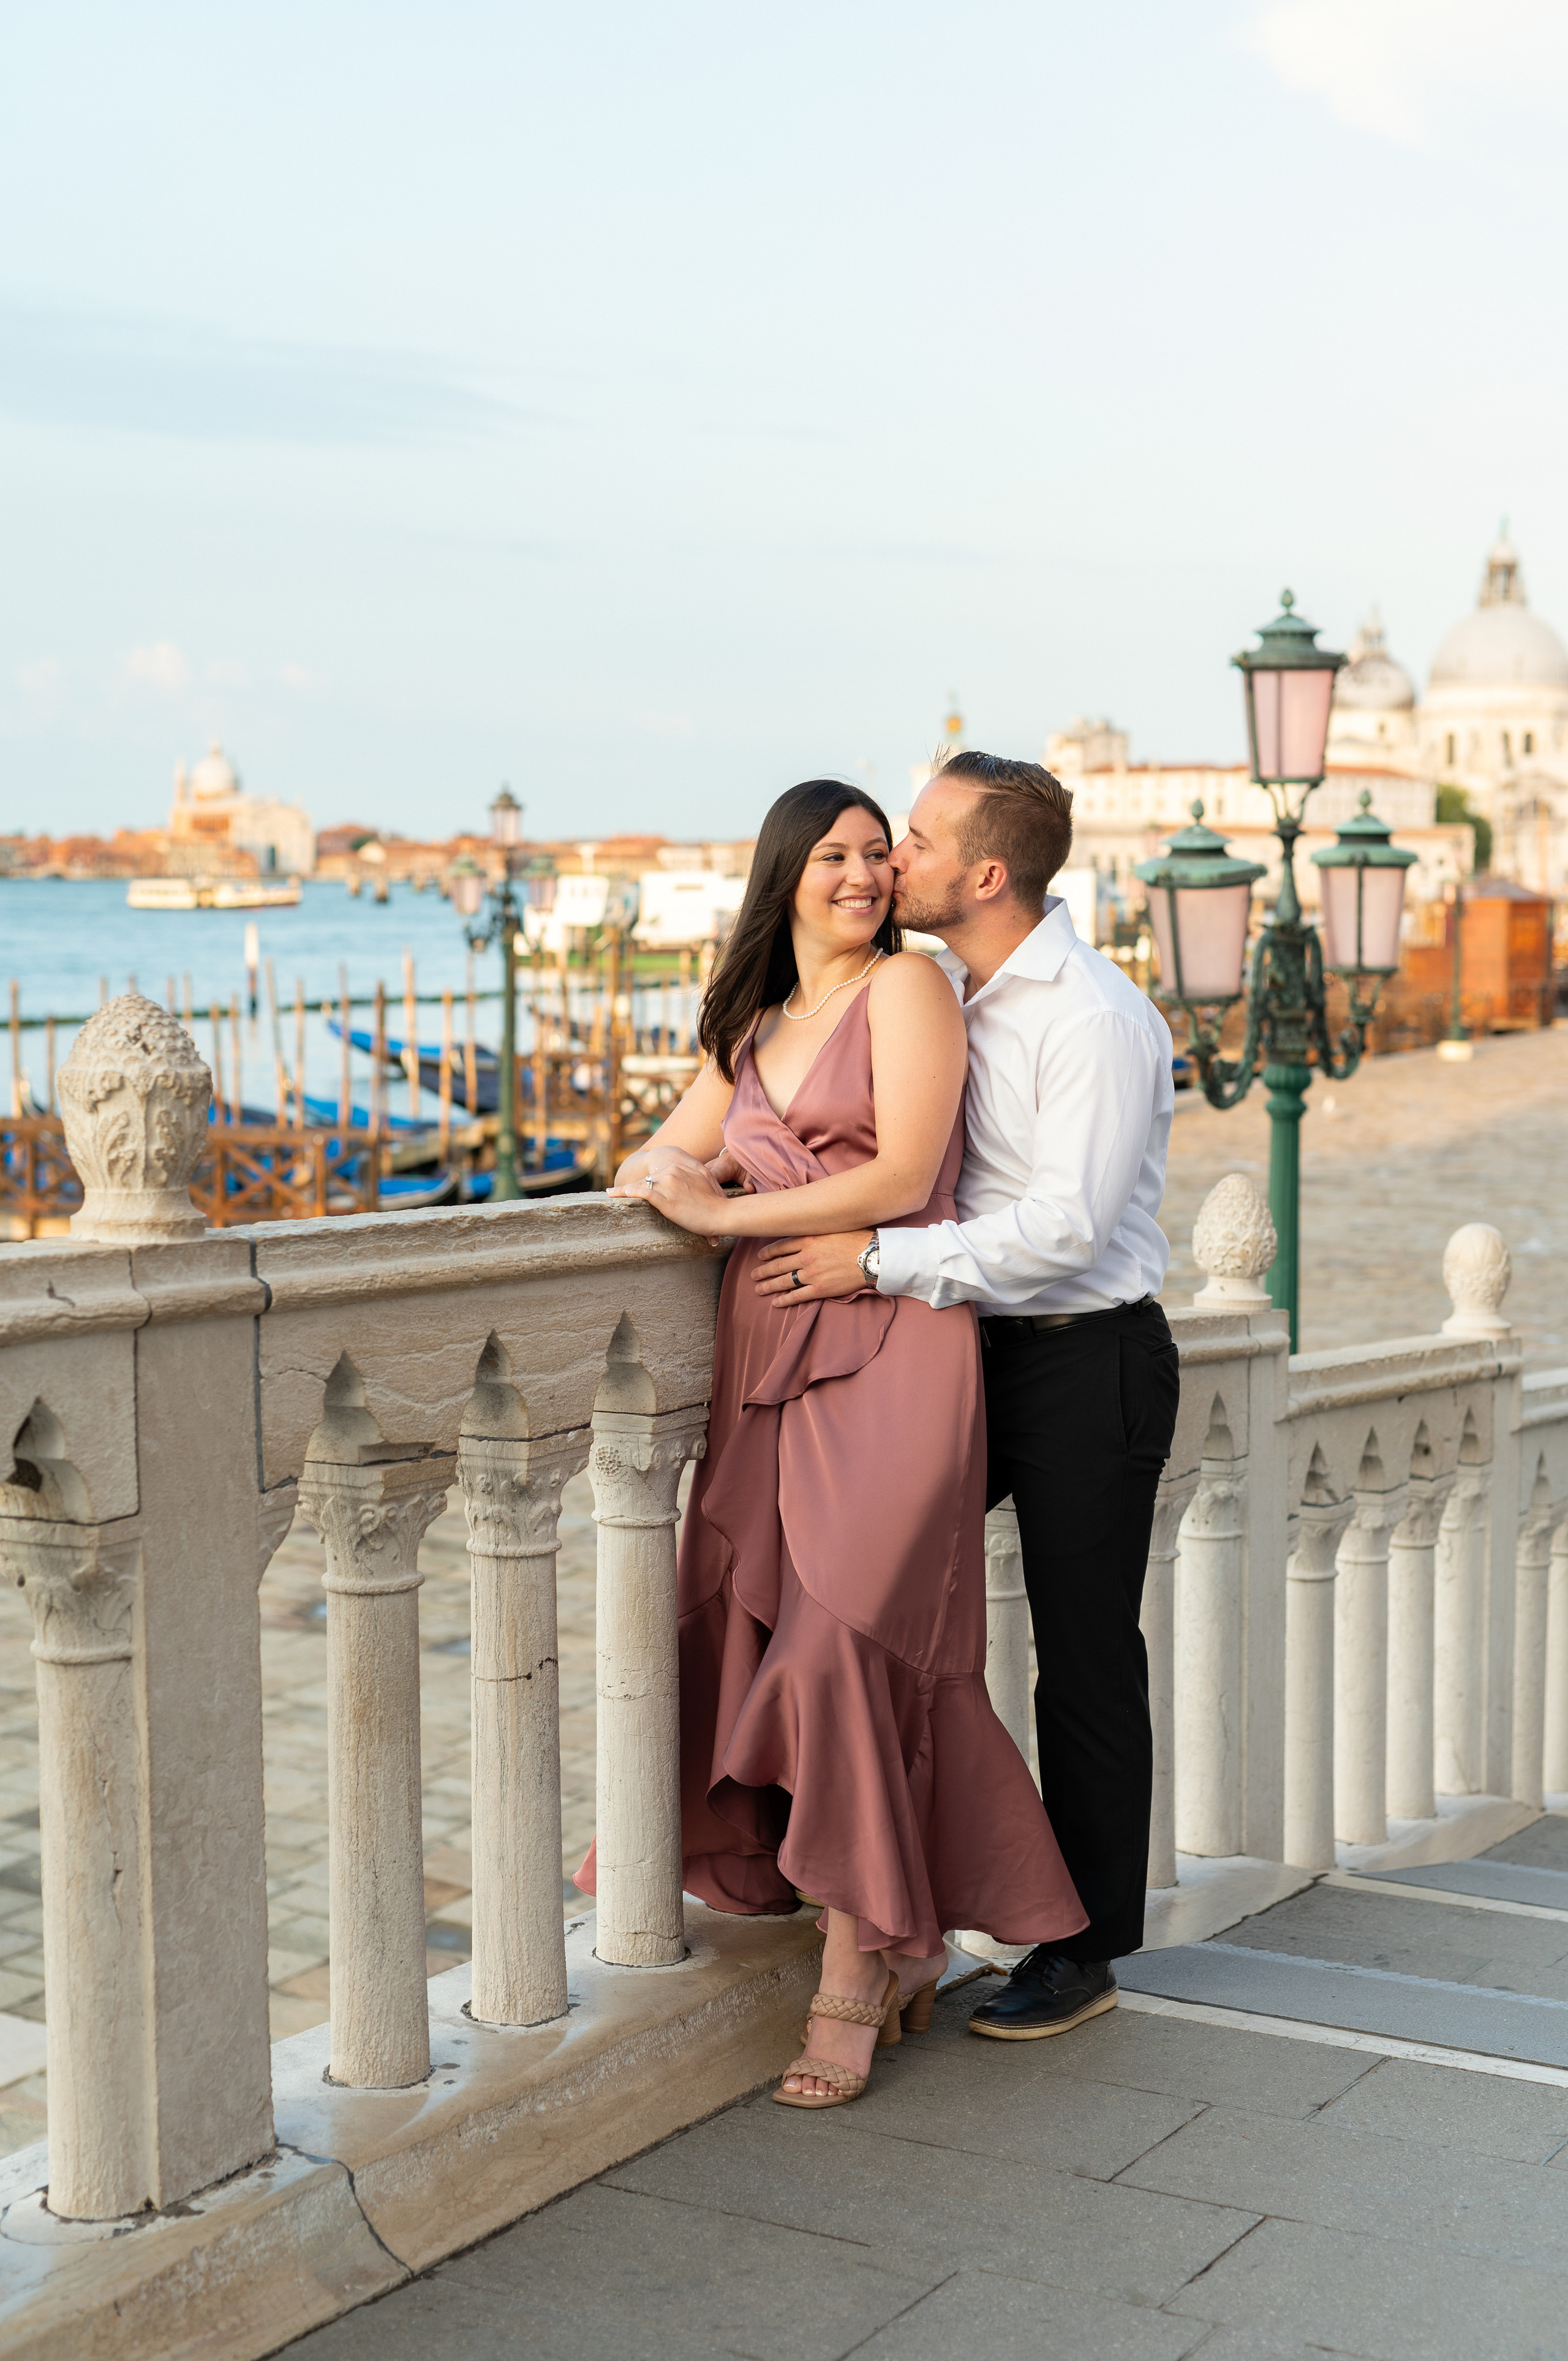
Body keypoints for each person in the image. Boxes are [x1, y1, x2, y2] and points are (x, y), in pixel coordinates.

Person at [580, 777, 1087, 2109]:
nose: (864, 874)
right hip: (768, 1352)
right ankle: (897, 1939)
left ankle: (856, 1967)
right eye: (835, 856)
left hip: (896, 1340)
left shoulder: (909, 988)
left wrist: (724, 1212)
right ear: (784, 875)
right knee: (767, 1622)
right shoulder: (751, 1023)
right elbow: (656, 1159)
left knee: (847, 1643)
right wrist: (675, 1178)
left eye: (878, 852)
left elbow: (904, 1174)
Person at [752, 750, 1179, 2043]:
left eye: (920, 840)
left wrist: (878, 1259)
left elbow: (1064, 1229)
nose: (894, 859)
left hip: (1086, 1360)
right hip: (962, 1355)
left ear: (988, 874)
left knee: (1082, 1659)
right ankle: (879, 1890)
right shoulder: (941, 990)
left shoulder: (1091, 1016)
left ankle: (1083, 1948)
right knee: (856, 1599)